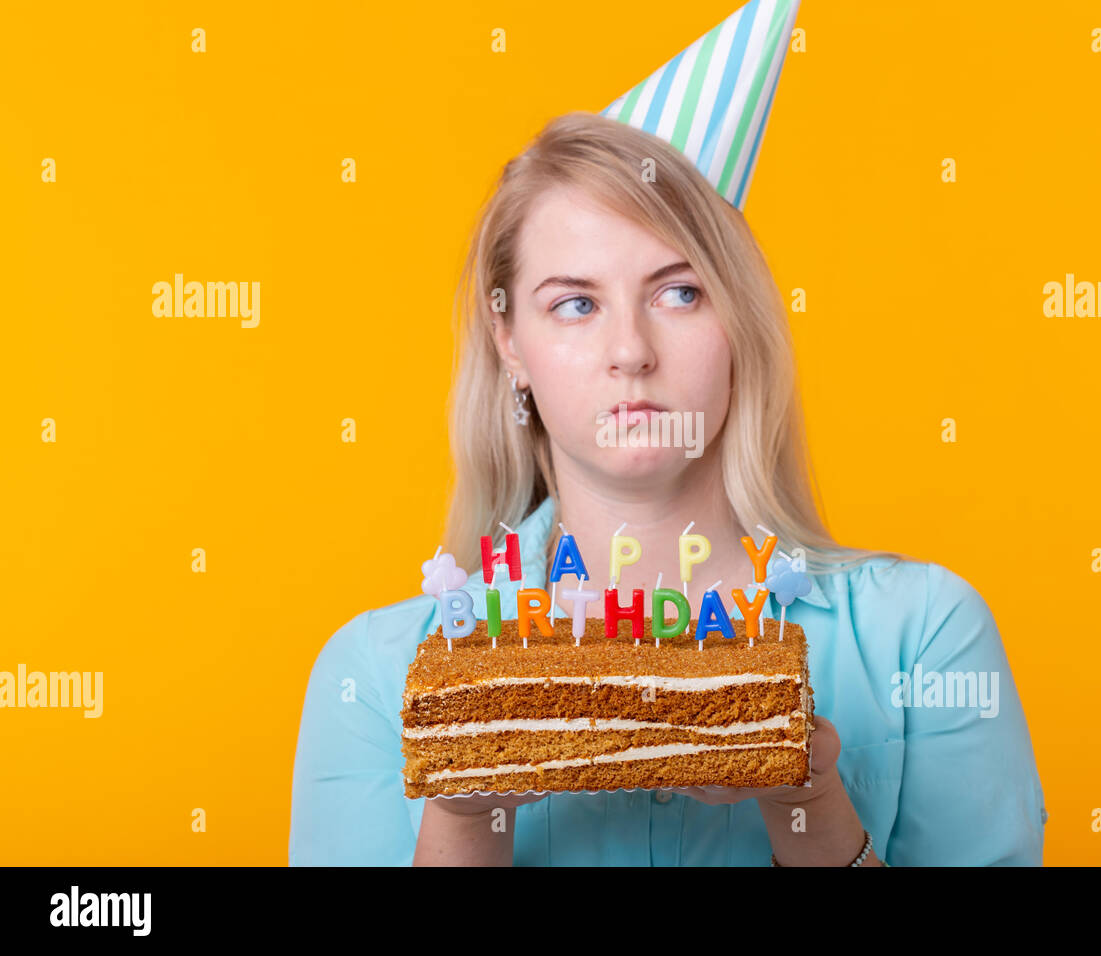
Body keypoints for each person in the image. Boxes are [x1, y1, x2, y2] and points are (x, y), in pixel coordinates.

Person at [291, 0, 1046, 865]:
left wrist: (810, 803)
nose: (630, 352)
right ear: (512, 343)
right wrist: (468, 814)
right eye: (574, 304)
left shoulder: (925, 633)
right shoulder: (377, 672)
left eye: (679, 292)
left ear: (742, 323)